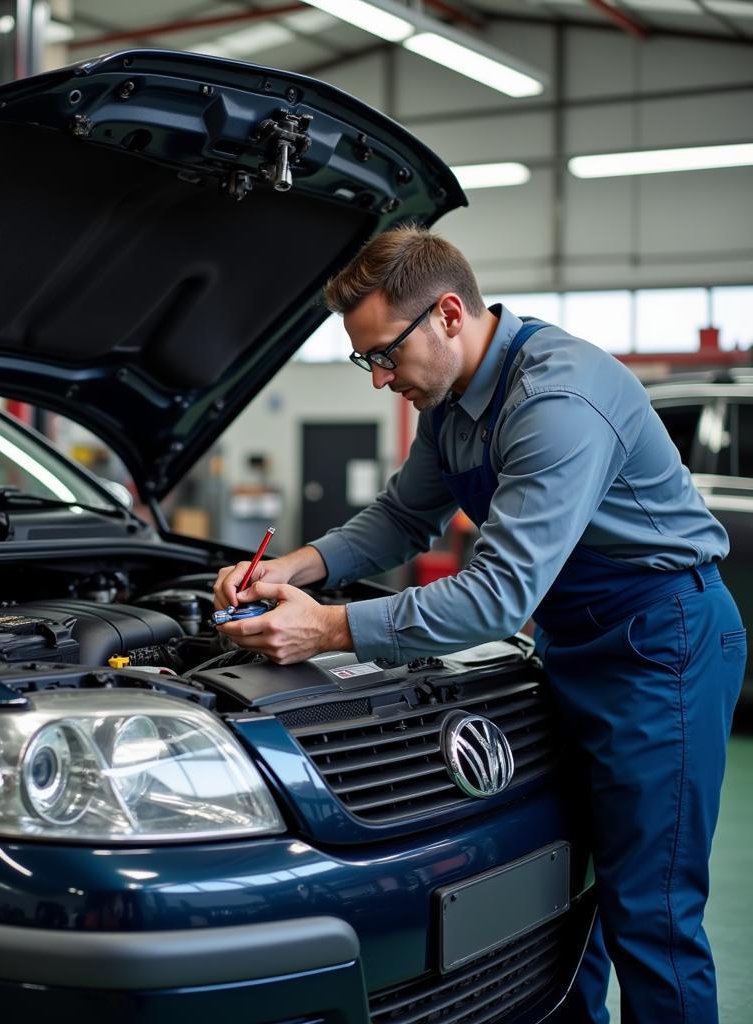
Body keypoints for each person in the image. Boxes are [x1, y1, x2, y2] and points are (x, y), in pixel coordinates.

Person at [213, 225, 745, 1024]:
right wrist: (295, 568)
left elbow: (496, 594)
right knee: (566, 895)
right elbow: (400, 518)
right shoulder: (453, 401)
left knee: (653, 915)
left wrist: (327, 629)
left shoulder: (556, 401)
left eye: (385, 355)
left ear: (450, 315)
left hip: (658, 642)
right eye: (366, 361)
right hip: (571, 638)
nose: (380, 378)